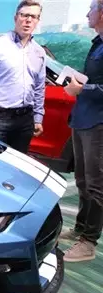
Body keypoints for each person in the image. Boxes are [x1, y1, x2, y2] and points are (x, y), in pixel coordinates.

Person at [58, 0, 103, 263]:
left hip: (98, 123)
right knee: (83, 181)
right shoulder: (97, 43)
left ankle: (88, 242)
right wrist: (80, 81)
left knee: (96, 184)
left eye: (91, 9)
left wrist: (82, 89)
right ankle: (80, 228)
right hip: (83, 119)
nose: (87, 13)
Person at [0, 0, 46, 154]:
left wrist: (38, 117)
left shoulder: (39, 52)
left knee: (18, 163)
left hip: (26, 119)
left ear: (38, 21)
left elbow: (39, 87)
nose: (28, 20)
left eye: (33, 17)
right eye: (24, 15)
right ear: (15, 18)